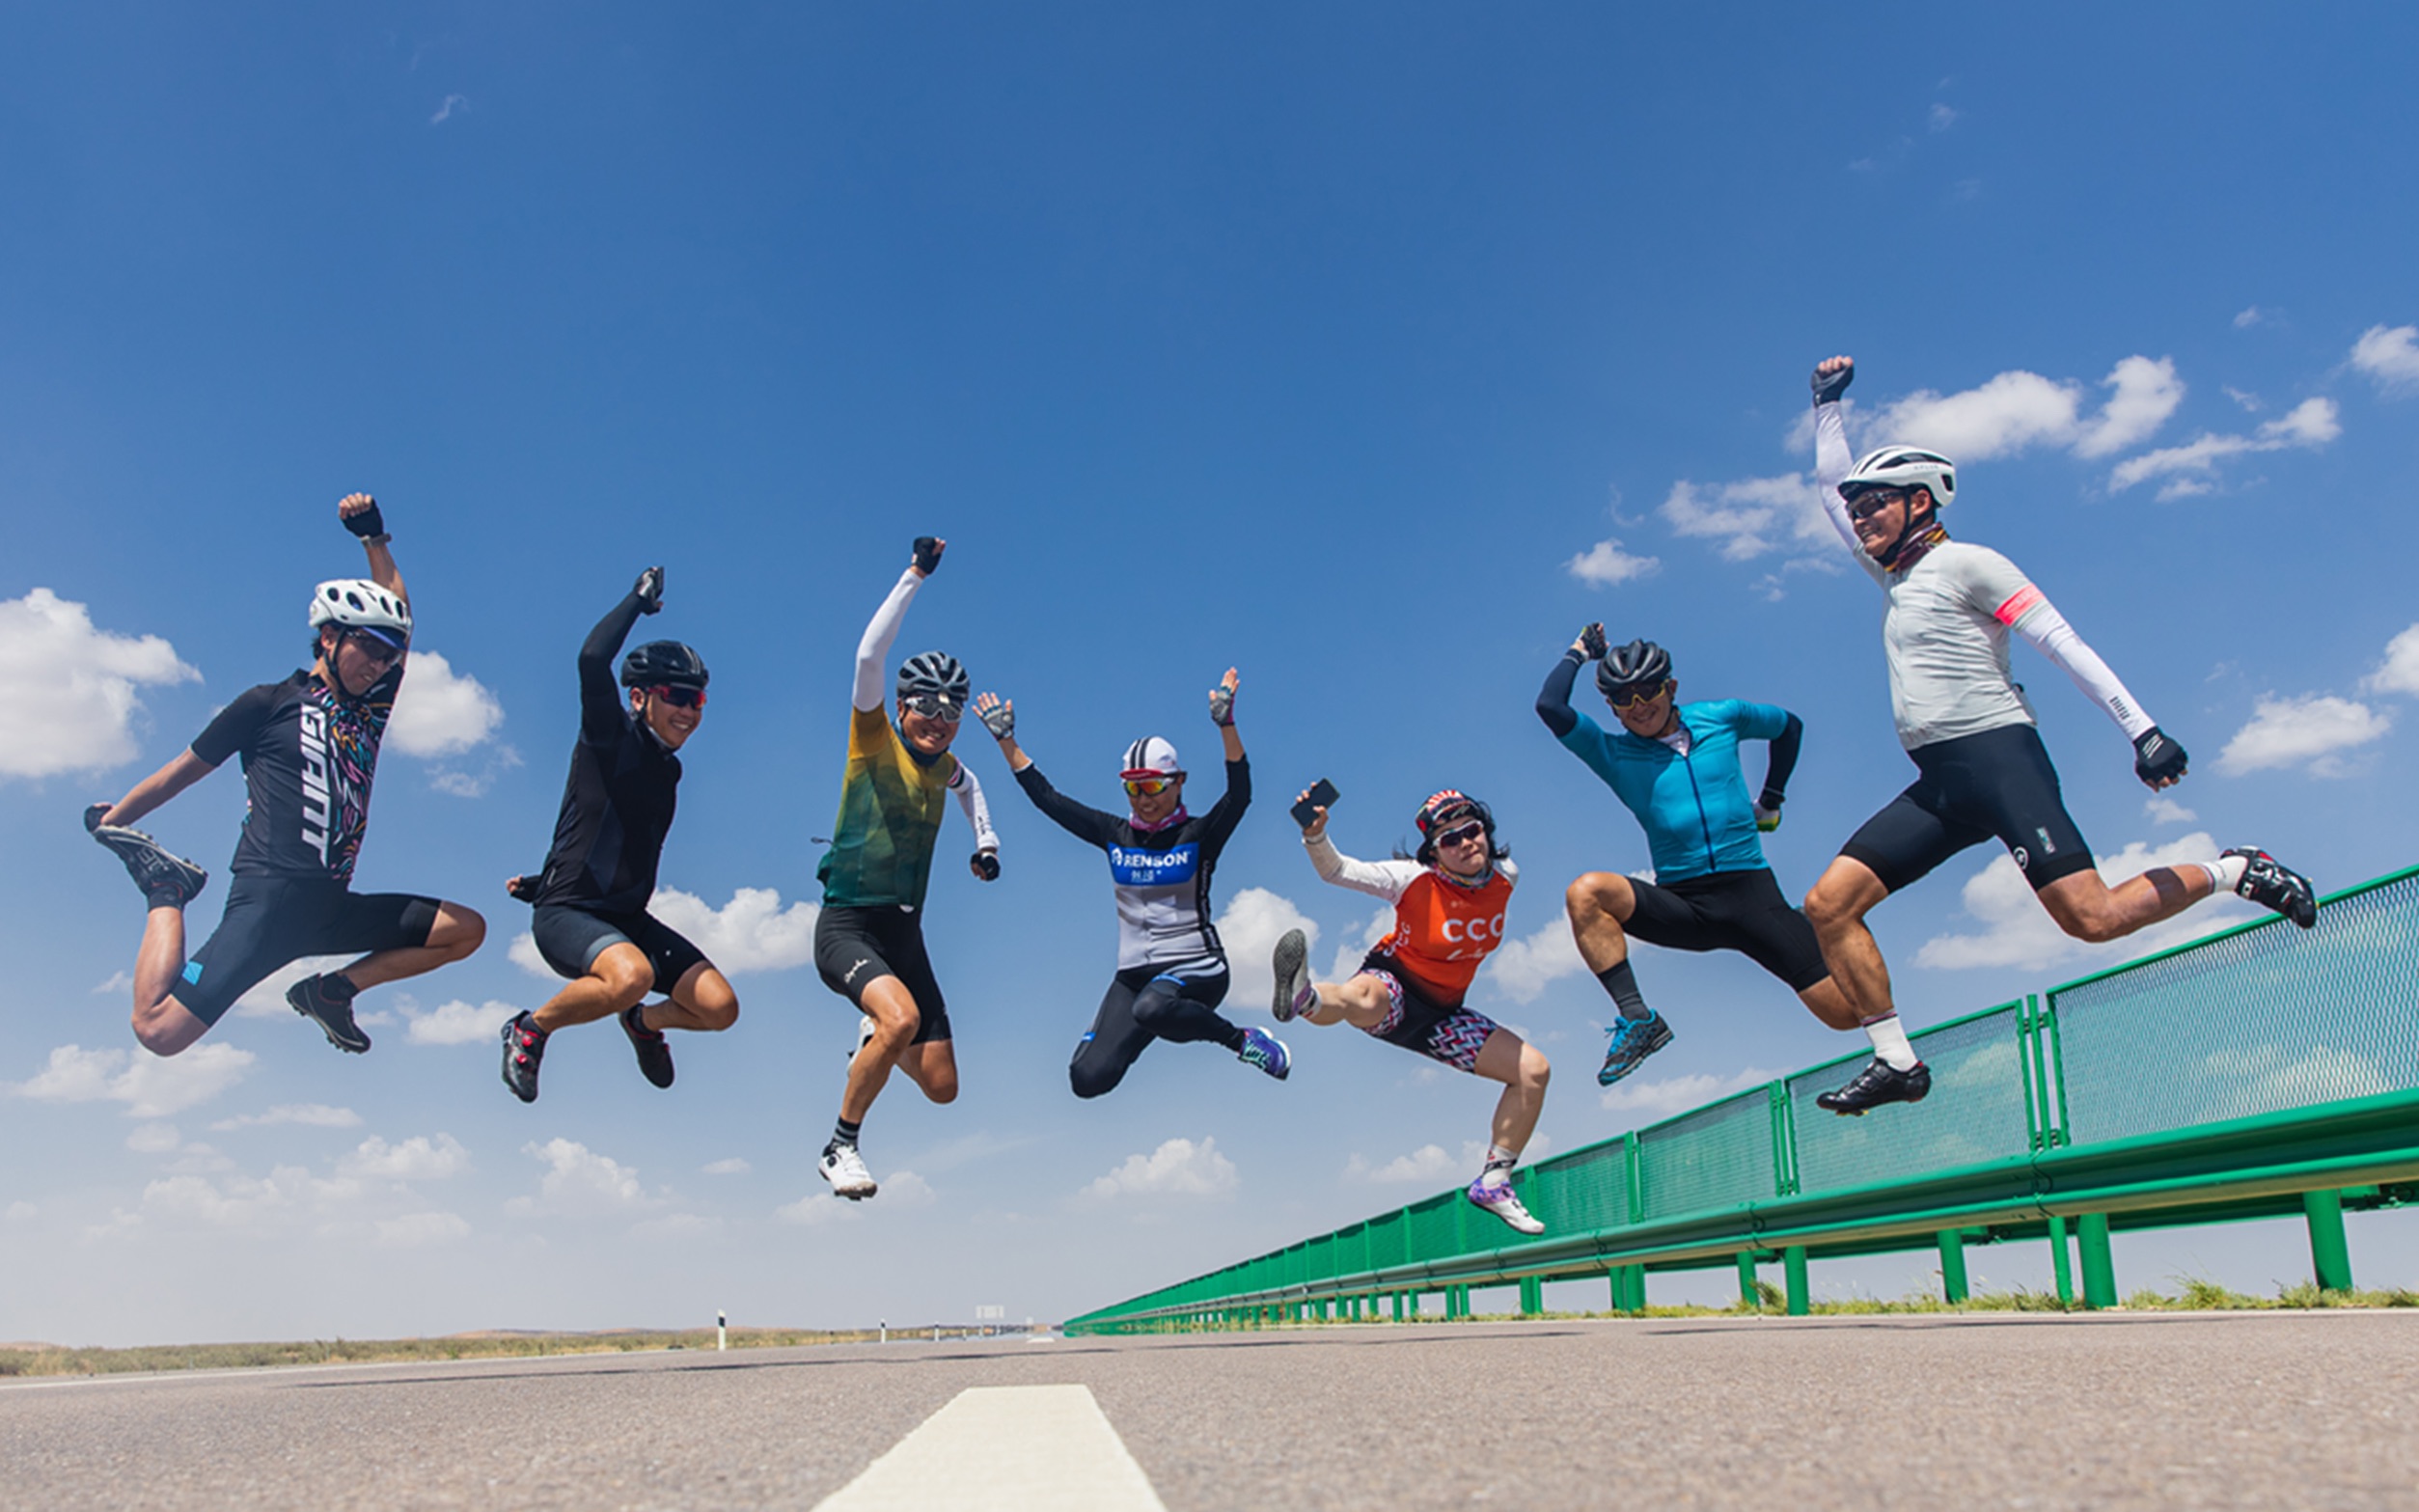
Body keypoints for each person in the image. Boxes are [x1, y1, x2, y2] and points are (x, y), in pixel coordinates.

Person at [1799, 355, 2318, 1114]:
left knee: (2093, 918)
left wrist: (2143, 731)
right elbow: (1825, 490)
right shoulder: (1895, 576)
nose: (1859, 516)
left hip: (2000, 760)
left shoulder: (1970, 564)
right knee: (1827, 904)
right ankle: (1897, 1062)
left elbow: (2063, 642)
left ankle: (2235, 870)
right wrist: (1825, 408)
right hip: (1940, 783)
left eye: (1873, 503)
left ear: (1918, 501)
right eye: (1857, 506)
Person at [83, 494, 485, 1057]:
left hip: (330, 909)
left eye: (390, 658)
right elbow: (183, 770)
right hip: (268, 904)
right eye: (368, 647)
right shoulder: (267, 704)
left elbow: (399, 615)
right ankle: (166, 889)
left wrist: (375, 541)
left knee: (464, 929)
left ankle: (332, 993)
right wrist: (116, 822)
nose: (379, 664)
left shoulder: (368, 711)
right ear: (329, 636)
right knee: (158, 1031)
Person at [1536, 627, 1858, 1086]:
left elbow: (1789, 727)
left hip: (1753, 898)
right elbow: (1550, 707)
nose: (1638, 705)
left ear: (1671, 687)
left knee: (1844, 1013)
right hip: (1685, 906)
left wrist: (1772, 799)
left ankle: (1822, 928)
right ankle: (1638, 1019)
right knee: (1587, 892)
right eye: (1623, 699)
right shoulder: (1612, 752)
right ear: (1611, 708)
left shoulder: (1723, 718)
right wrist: (1579, 653)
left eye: (1648, 690)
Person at [972, 669, 1289, 1098]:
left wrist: (1226, 726)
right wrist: (1006, 742)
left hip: (1198, 967)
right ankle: (1163, 1018)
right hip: (1134, 979)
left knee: (1153, 1006)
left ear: (1180, 782)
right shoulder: (1116, 835)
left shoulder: (1199, 836)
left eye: (1155, 785)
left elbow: (1240, 794)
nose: (1145, 798)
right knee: (1087, 1080)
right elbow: (1049, 799)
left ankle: (1243, 1041)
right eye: (1134, 789)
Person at [497, 567, 738, 1103]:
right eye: (677, 696)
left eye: (697, 701)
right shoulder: (609, 737)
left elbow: (611, 836)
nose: (688, 711)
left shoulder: (669, 771)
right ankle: (530, 1029)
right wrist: (637, 601)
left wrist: (538, 876)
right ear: (638, 698)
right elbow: (589, 660)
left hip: (625, 918)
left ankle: (643, 1025)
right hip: (570, 915)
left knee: (720, 1008)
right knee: (630, 974)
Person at [1270, 789, 1553, 1235]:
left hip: (1443, 1014)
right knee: (1363, 999)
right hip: (1396, 982)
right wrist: (1316, 835)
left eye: (1472, 831)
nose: (1465, 845)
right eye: (1450, 840)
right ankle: (1305, 998)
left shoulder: (1506, 876)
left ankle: (1494, 1181)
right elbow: (1338, 870)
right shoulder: (1413, 879)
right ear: (1434, 852)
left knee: (1533, 1070)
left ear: (1486, 831)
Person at [811, 537, 1000, 1200]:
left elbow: (972, 784)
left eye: (952, 711)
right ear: (901, 706)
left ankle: (876, 1034)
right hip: (848, 924)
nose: (939, 720)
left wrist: (986, 843)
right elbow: (868, 655)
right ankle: (840, 1145)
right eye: (927, 706)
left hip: (904, 935)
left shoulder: (945, 765)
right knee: (898, 1021)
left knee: (943, 1086)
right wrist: (915, 574)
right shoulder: (872, 738)